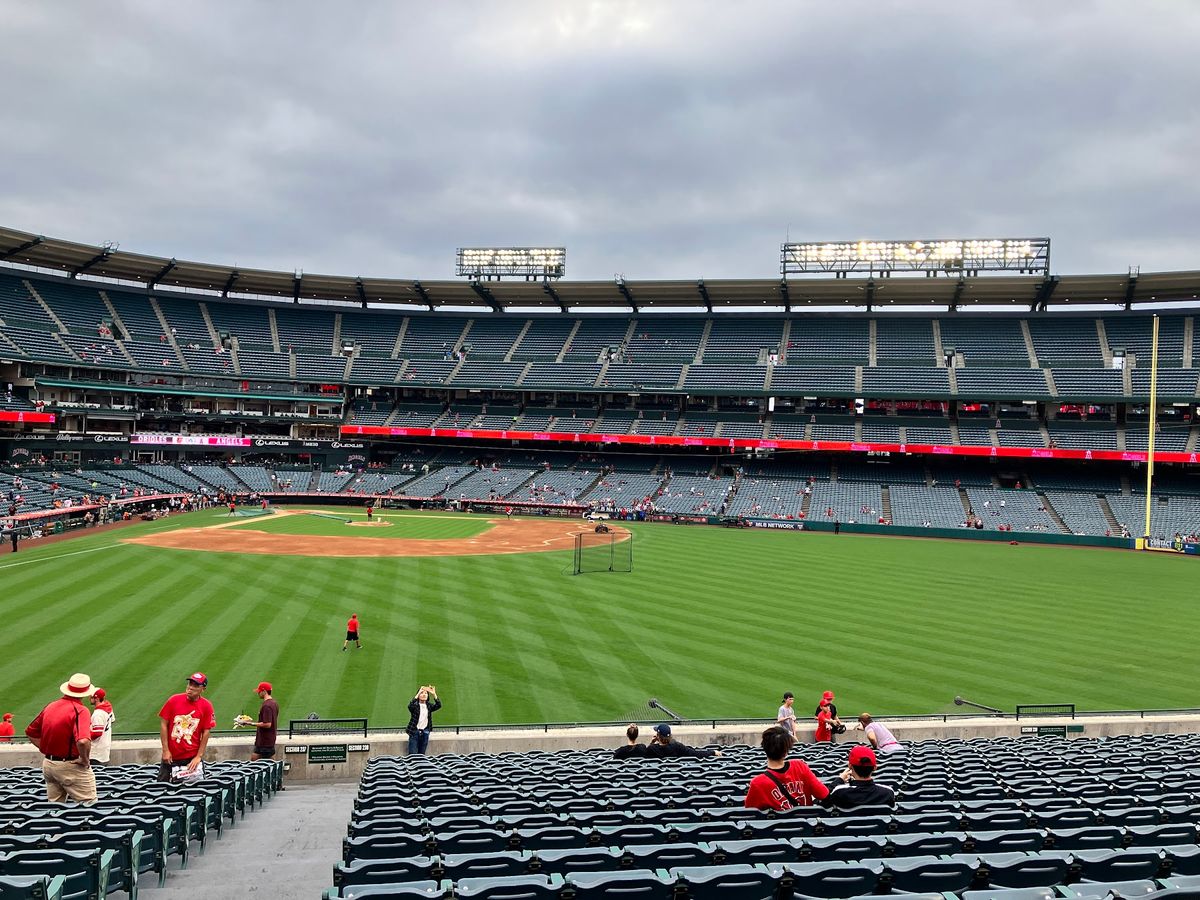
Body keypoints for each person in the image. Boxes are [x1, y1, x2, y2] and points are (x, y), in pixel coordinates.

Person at [25, 673, 97, 804]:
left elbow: (31, 732)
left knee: (55, 809)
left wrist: (46, 749)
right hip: (70, 766)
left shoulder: (51, 706)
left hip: (49, 765)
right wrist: (85, 759)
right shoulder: (81, 710)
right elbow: (83, 741)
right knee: (90, 807)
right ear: (86, 692)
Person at [744, 726, 829, 811]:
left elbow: (751, 814)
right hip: (806, 823)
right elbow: (824, 795)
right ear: (786, 752)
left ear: (764, 748)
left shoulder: (757, 783)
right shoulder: (800, 766)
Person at [159, 672, 216, 782]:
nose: (190, 687)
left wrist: (199, 756)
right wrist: (165, 750)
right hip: (171, 758)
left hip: (191, 758)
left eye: (195, 685)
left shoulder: (206, 706)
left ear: (203, 689)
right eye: (190, 684)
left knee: (194, 793)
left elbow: (206, 731)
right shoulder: (174, 700)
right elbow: (163, 724)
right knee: (162, 790)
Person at [823, 745, 896, 811]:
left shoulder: (839, 792)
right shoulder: (888, 793)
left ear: (850, 766)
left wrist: (839, 780)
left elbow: (822, 800)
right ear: (875, 768)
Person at [646, 723, 723, 759]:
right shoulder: (677, 746)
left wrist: (652, 743)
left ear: (658, 736)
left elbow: (646, 755)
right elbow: (696, 753)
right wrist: (713, 752)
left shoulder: (652, 749)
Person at [406, 685, 441, 755]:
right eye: (422, 693)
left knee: (422, 754)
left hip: (425, 732)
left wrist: (434, 694)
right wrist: (418, 693)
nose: (424, 695)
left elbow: (438, 705)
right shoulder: (415, 705)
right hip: (414, 732)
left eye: (426, 693)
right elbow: (410, 706)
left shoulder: (429, 706)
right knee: (412, 754)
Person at [248, 682, 279, 761]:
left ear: (264, 691)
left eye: (259, 691)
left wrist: (251, 723)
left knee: (255, 764)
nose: (258, 693)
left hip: (265, 741)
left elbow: (268, 724)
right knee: (267, 762)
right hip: (267, 740)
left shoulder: (267, 706)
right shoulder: (274, 703)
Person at [88, 688, 115, 766]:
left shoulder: (98, 714)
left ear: (96, 699)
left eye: (91, 697)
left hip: (96, 753)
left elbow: (97, 733)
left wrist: (84, 735)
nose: (89, 698)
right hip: (104, 749)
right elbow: (112, 720)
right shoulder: (108, 707)